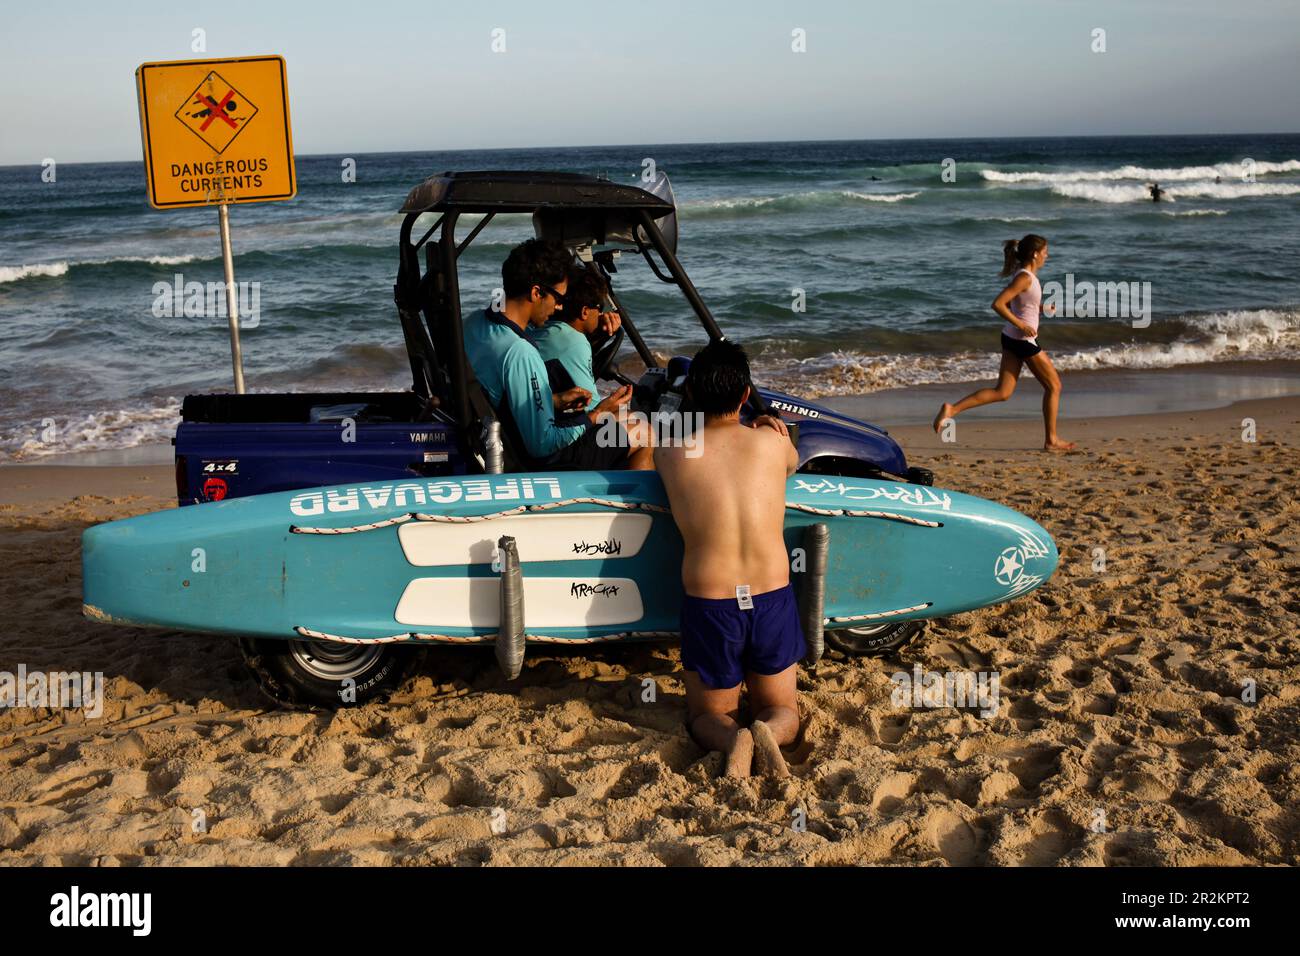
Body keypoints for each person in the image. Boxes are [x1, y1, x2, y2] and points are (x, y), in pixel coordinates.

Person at [654, 339, 803, 779]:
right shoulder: (773, 445)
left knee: (706, 718)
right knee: (782, 709)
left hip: (713, 602)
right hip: (771, 595)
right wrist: (771, 426)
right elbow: (793, 460)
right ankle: (769, 734)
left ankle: (733, 738)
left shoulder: (672, 452)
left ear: (693, 394)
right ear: (744, 395)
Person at [463, 239, 652, 470]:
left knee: (623, 420)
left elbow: (503, 399)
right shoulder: (520, 353)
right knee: (644, 431)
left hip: (500, 434)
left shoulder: (475, 323)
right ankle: (630, 505)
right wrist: (594, 415)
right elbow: (543, 444)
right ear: (536, 292)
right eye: (559, 299)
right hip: (541, 459)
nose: (560, 308)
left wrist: (554, 401)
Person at [933, 235, 1076, 451]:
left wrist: (1039, 309)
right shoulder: (1025, 278)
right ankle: (1051, 440)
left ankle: (951, 410)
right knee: (1054, 385)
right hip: (1023, 340)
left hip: (1011, 337)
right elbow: (998, 304)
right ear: (1035, 254)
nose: (1048, 255)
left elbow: (1015, 303)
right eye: (1045, 251)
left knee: (1003, 392)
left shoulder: (1025, 277)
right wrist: (1021, 324)